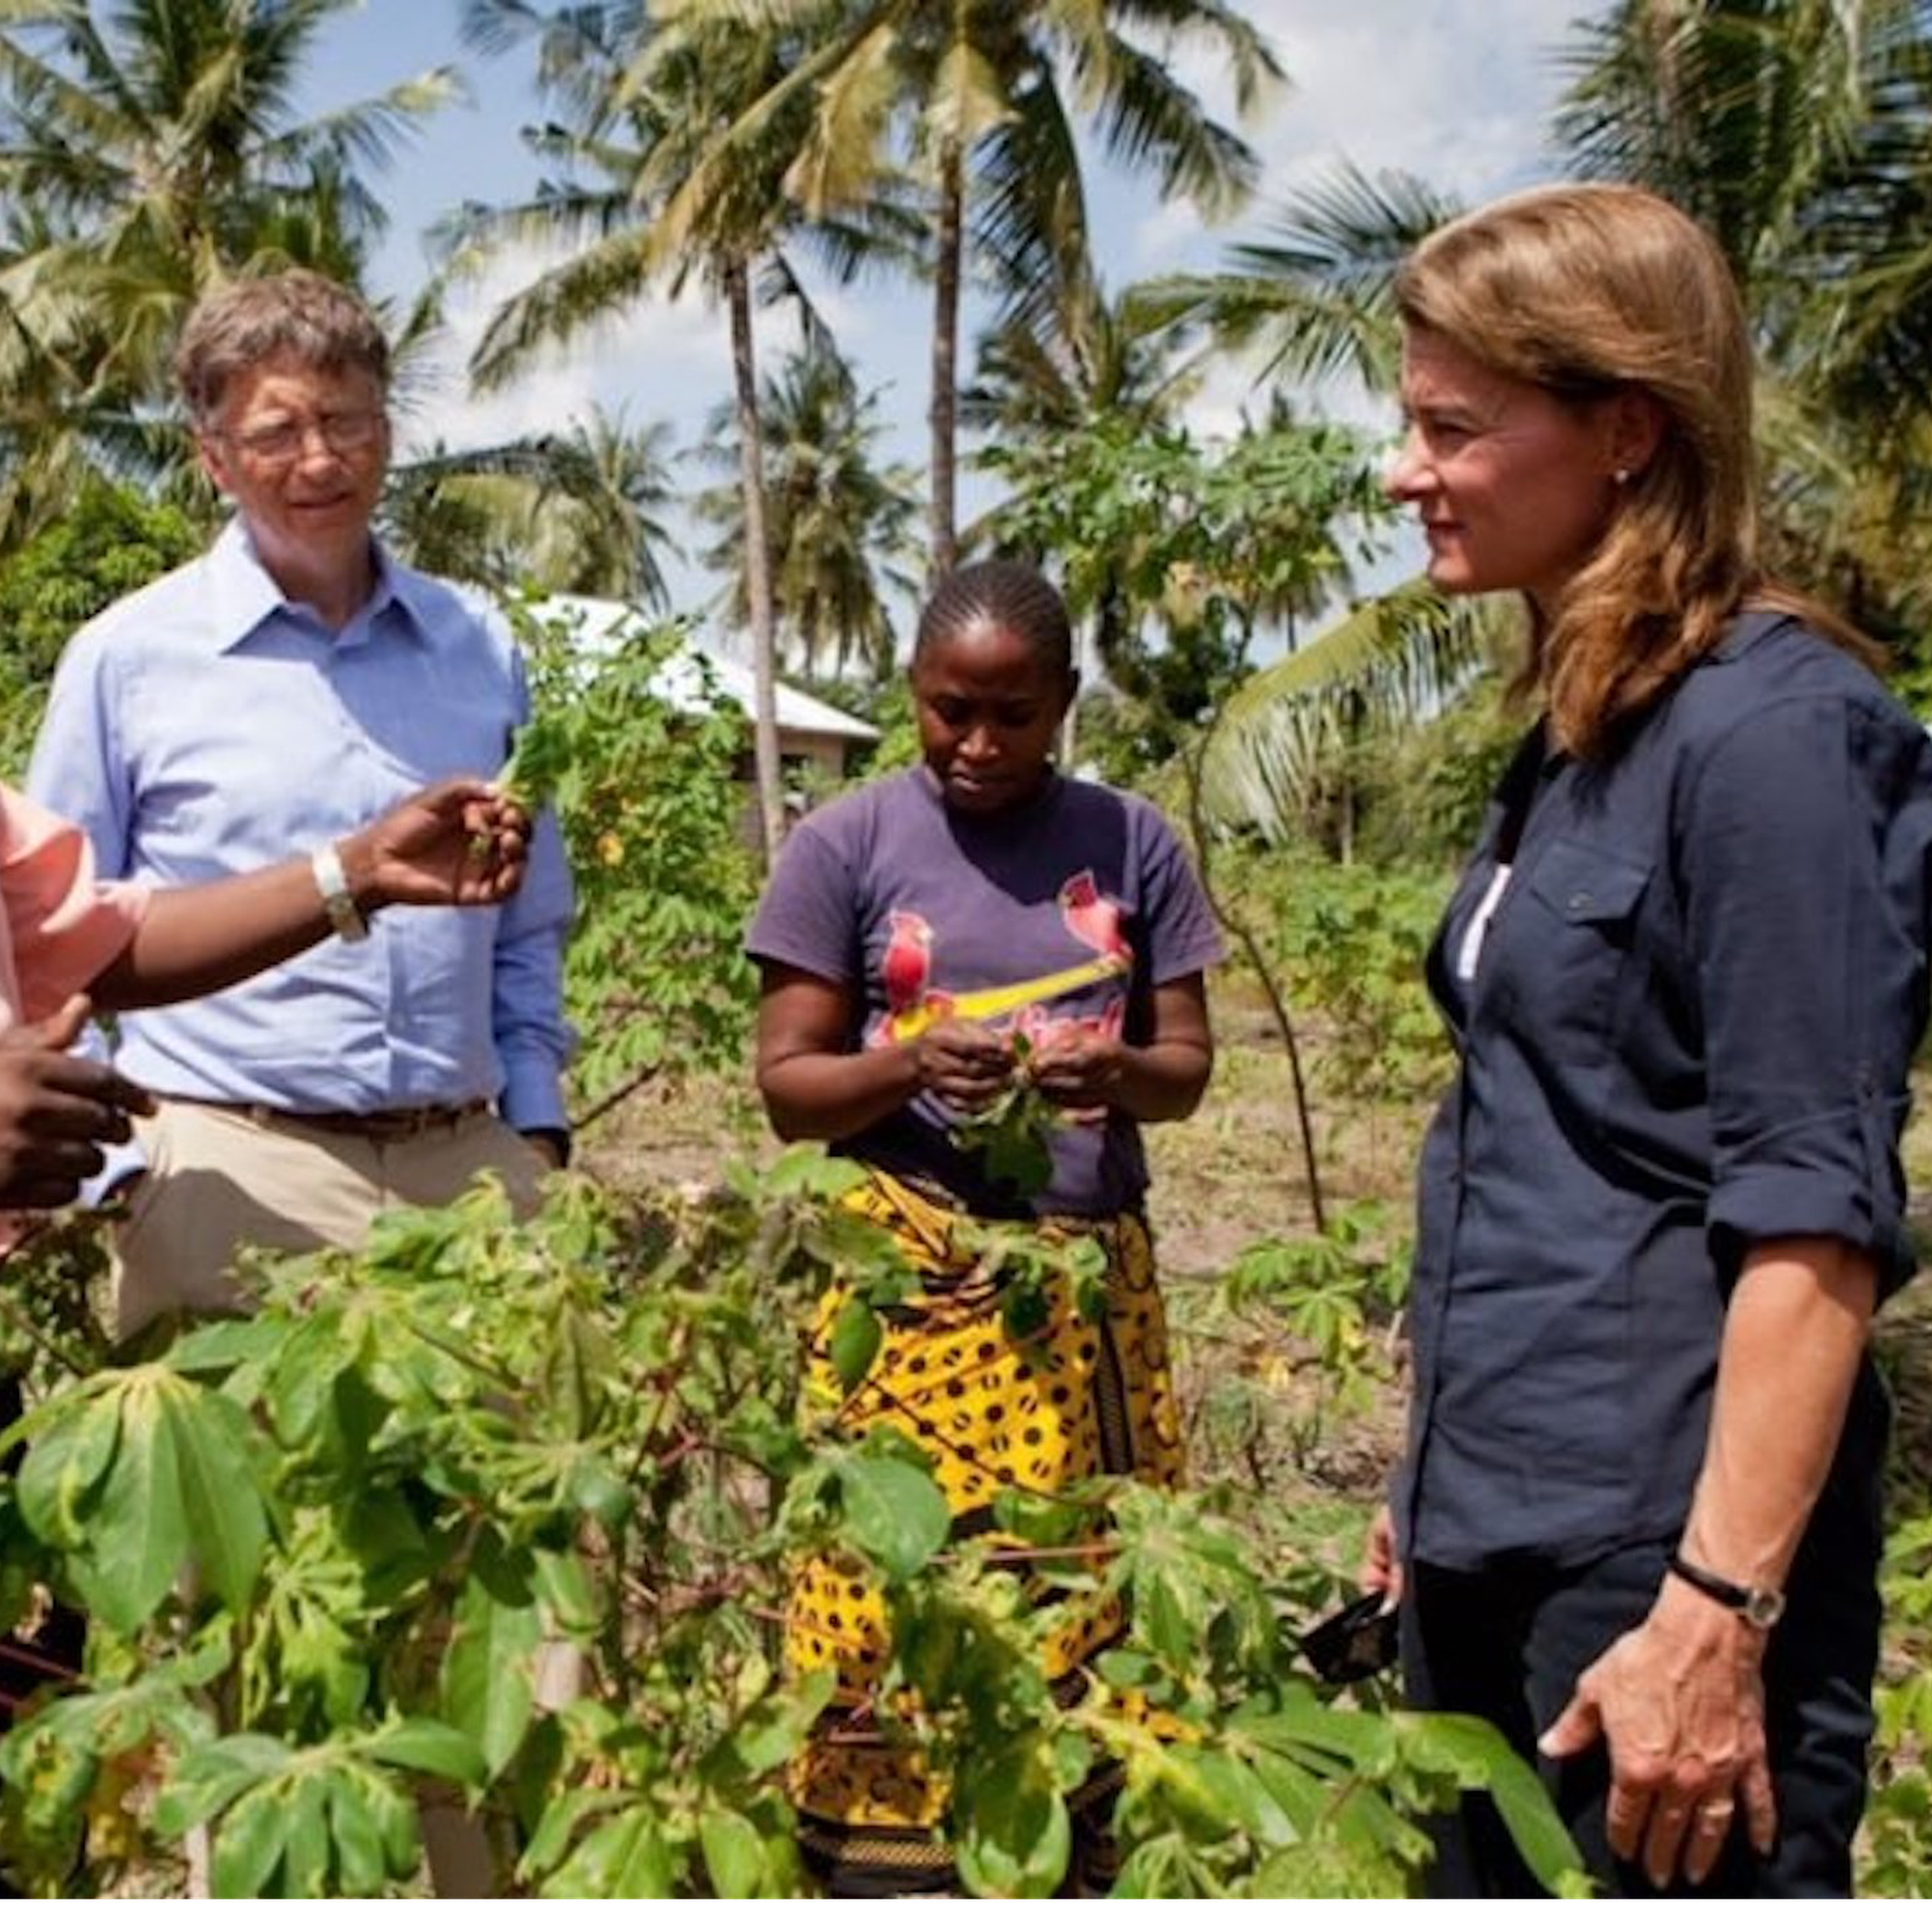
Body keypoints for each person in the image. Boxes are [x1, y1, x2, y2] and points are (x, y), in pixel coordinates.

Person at [1362, 181, 1932, 1901]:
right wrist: (1428, 1481)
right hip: (1490, 1538)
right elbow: (1547, 1138)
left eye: (1454, 429)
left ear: (1627, 432)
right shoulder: (1582, 728)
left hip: (1653, 1568)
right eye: (1410, 422)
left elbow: (1815, 1223)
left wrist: (1715, 1612)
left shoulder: (1778, 739)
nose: (1403, 473)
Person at [746, 559, 1224, 1897]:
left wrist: (1113, 1070)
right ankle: (892, 1860)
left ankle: (1067, 1846)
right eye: (950, 711)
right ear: (913, 689)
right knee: (895, 1586)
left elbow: (1185, 1068)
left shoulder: (1132, 842)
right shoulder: (843, 845)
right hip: (903, 1300)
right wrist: (909, 1063)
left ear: (1066, 702)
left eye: (1015, 716)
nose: (977, 743)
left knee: (1080, 1586)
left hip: (1083, 1301)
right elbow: (788, 1091)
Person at [27, 270, 575, 1342]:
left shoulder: (479, 647)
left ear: (388, 431)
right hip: (226, 1170)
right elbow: (47, 939)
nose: (319, 460)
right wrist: (118, 1174)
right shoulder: (129, 658)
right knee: (234, 1456)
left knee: (489, 1457)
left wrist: (536, 1128)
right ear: (213, 458)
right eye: (276, 432)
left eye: (345, 421)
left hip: (468, 1175)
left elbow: (530, 917)